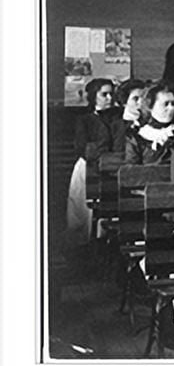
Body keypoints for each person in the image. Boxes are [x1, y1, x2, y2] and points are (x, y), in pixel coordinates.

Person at [66, 78, 123, 245]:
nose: (109, 98)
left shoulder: (118, 118)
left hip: (113, 167)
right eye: (104, 94)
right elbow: (83, 148)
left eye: (111, 94)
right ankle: (83, 245)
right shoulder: (85, 119)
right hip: (88, 167)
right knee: (81, 212)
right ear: (93, 97)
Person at [125, 81, 174, 165]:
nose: (171, 108)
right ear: (150, 106)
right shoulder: (137, 137)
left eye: (173, 104)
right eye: (166, 104)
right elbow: (132, 171)